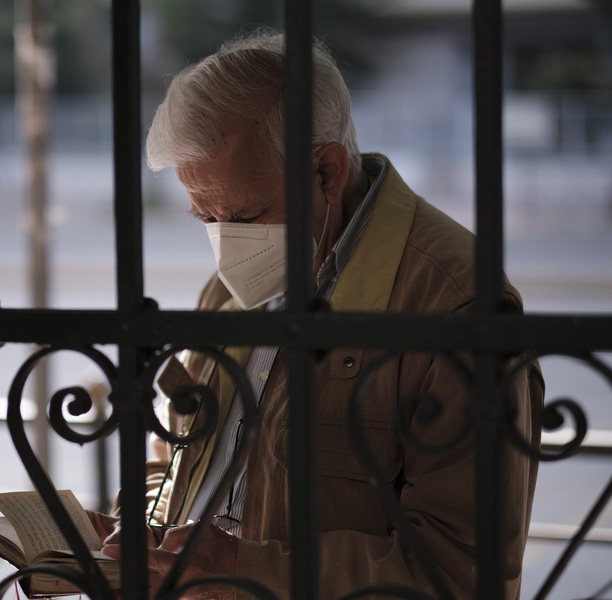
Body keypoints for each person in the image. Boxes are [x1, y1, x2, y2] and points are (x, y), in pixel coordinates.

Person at [94, 28, 544, 600]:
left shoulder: (453, 302)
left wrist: (246, 569)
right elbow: (179, 451)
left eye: (242, 215)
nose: (224, 244)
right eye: (203, 218)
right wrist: (139, 527)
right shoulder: (228, 288)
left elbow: (462, 572)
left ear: (327, 172)